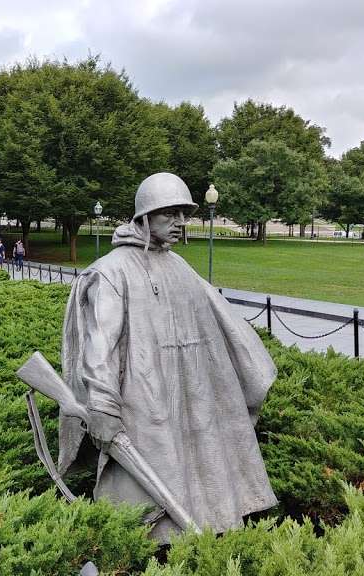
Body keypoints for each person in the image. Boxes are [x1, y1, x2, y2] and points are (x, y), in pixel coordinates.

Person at [57, 173, 277, 544]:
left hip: (193, 395)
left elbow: (224, 327)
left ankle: (207, 532)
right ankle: (141, 544)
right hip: (142, 401)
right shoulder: (111, 273)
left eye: (183, 214)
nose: (179, 223)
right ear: (144, 217)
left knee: (199, 469)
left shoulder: (179, 267)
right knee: (143, 496)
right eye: (168, 214)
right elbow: (100, 348)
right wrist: (102, 407)